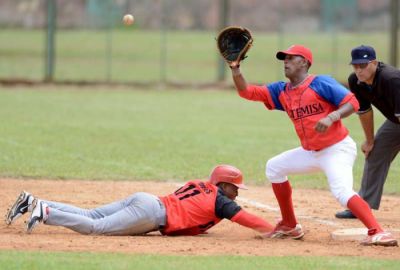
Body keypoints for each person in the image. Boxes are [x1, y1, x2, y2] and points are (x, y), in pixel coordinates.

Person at [228, 44, 398, 246]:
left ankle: (378, 232)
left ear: (305, 63)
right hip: (312, 152)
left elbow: (352, 102)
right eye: (285, 58)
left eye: (291, 58)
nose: (286, 61)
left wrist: (331, 117)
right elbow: (247, 92)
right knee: (274, 167)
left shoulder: (320, 83)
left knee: (342, 192)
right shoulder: (281, 91)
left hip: (337, 149)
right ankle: (290, 225)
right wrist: (236, 69)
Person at [5, 165, 274, 237]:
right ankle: (45, 212)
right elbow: (244, 217)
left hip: (146, 200)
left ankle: (30, 201)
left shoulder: (200, 186)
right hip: (150, 214)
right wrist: (271, 229)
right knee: (94, 228)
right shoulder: (221, 201)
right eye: (234, 187)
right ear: (222, 184)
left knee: (91, 214)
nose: (237, 192)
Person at [335, 45, 400, 219]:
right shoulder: (356, 82)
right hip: (396, 122)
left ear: (374, 63)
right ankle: (362, 206)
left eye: (362, 65)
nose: (358, 70)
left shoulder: (391, 79)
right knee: (376, 153)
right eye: (355, 66)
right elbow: (364, 112)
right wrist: (370, 140)